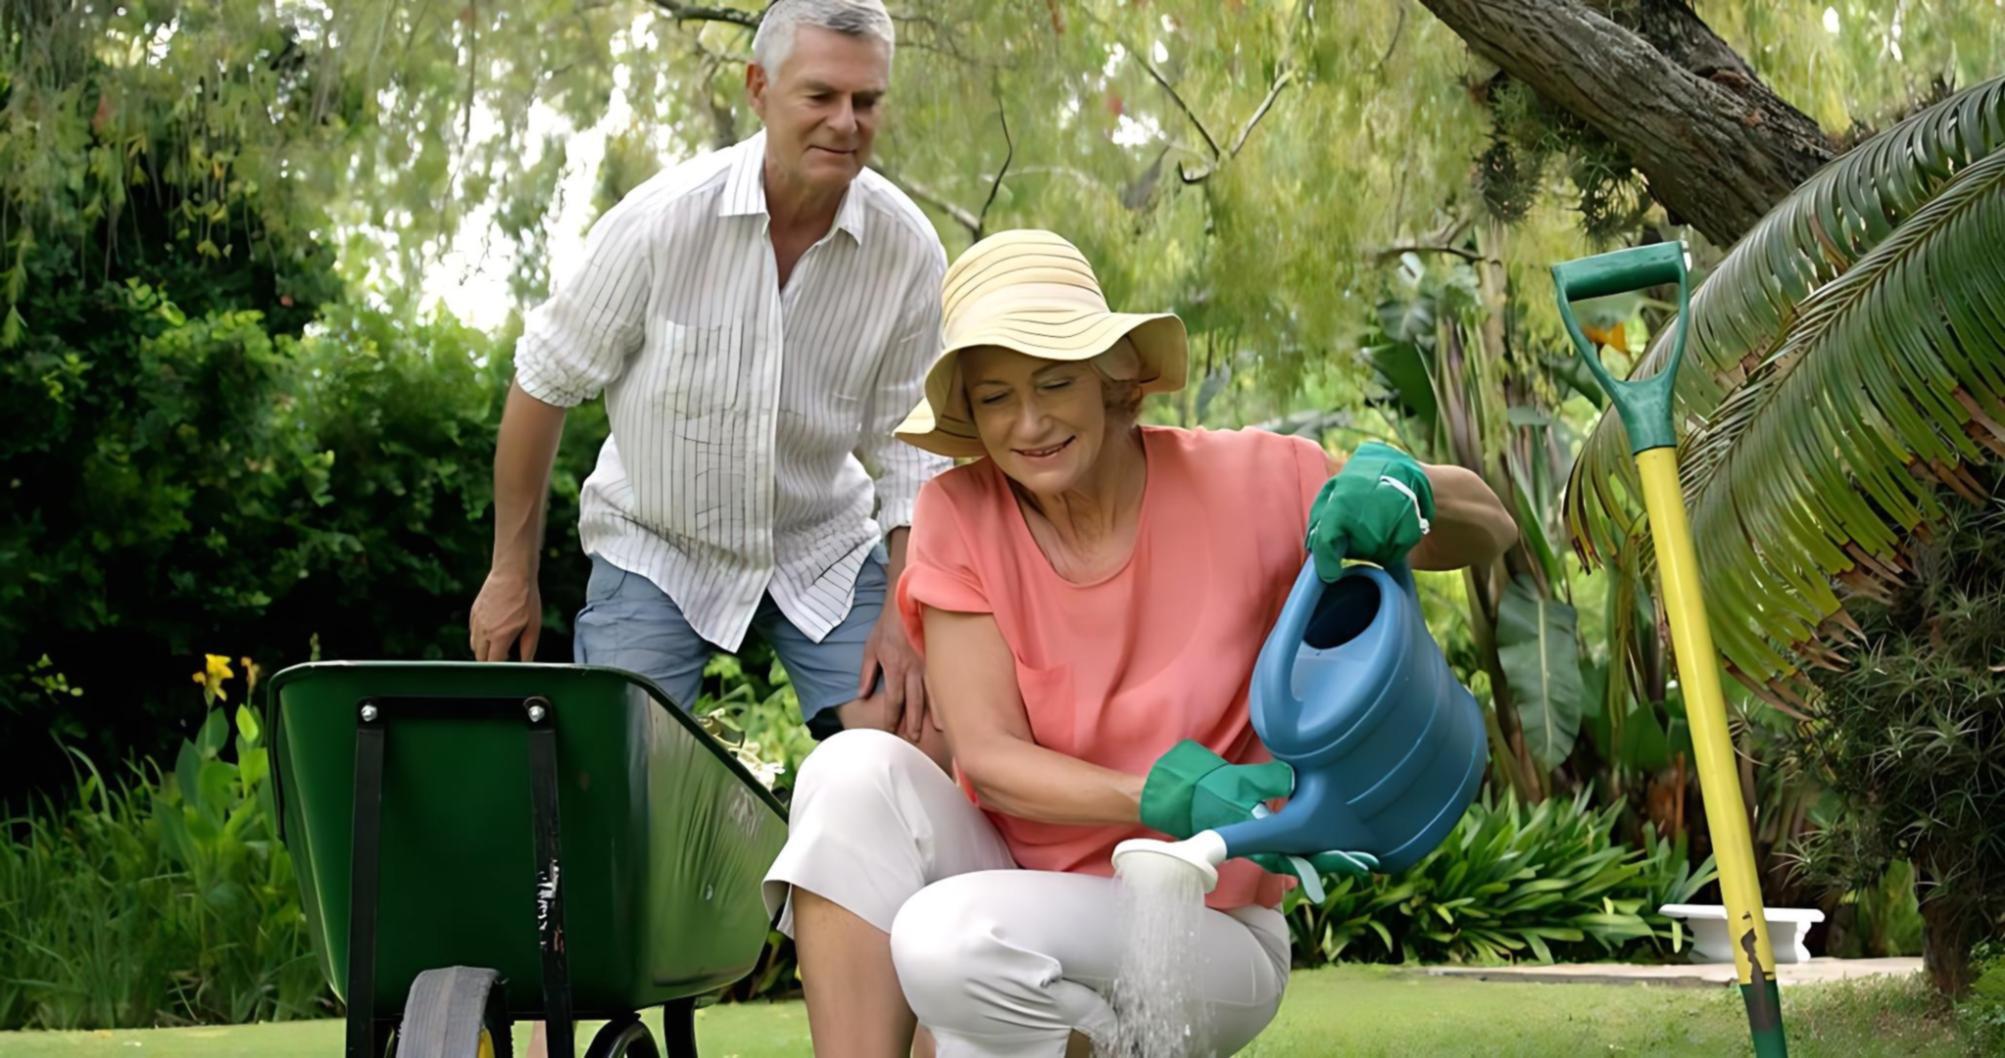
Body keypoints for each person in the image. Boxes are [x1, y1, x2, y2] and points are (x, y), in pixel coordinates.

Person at [760, 229, 1520, 1057]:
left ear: (1114, 377)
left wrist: (1402, 490)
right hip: (1014, 891)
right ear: (970, 415)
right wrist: (1154, 795)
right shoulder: (959, 514)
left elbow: (1489, 525)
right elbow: (985, 755)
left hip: (1205, 919)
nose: (1030, 422)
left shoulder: (1249, 481)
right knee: (846, 772)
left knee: (948, 943)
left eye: (1054, 383)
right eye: (995, 398)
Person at [468, 0, 951, 765]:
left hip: (818, 542)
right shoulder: (660, 223)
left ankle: (841, 882)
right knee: (611, 775)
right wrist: (508, 572)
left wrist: (905, 610)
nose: (845, 122)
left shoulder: (908, 252)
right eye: (819, 96)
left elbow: (916, 454)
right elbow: (544, 383)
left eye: (866, 101)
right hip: (658, 540)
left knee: (917, 743)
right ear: (759, 88)